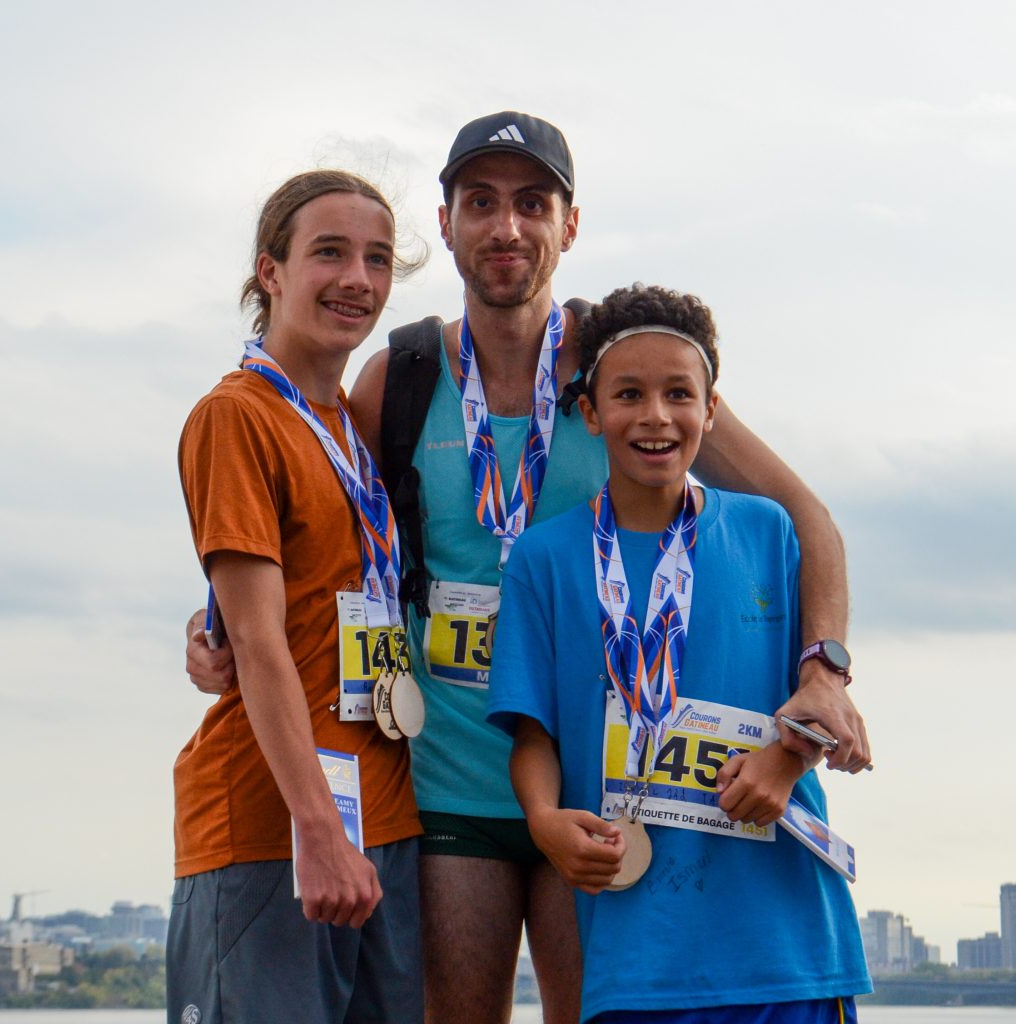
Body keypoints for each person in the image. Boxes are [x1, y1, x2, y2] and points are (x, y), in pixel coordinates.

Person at [185, 112, 870, 1024]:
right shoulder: (401, 375)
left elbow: (806, 521)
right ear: (448, 223)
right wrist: (217, 620)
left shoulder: (625, 367)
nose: (506, 226)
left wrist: (823, 672)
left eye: (533, 203)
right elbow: (321, 530)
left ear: (569, 225)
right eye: (481, 203)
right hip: (443, 778)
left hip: (593, 783)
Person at [487, 283, 872, 1023]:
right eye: (629, 394)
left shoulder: (767, 532)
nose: (656, 416)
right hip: (638, 957)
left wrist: (786, 762)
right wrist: (541, 818)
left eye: (678, 394)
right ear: (590, 412)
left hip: (788, 947)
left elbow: (813, 704)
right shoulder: (543, 558)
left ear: (711, 410)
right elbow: (532, 734)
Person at [167, 169, 427, 1024]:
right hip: (274, 827)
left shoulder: (351, 427)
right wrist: (317, 829)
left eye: (378, 259)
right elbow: (257, 638)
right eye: (330, 253)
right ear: (270, 271)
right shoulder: (236, 416)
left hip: (383, 822)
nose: (358, 278)